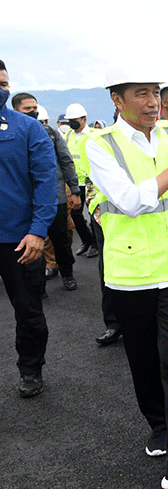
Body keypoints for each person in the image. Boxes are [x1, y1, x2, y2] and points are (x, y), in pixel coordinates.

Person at [84, 66, 168, 489]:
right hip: (131, 273)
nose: (152, 102)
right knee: (144, 360)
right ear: (117, 100)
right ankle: (158, 425)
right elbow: (129, 202)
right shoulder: (99, 144)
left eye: (156, 93)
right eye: (141, 93)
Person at [0, 59, 57, 397]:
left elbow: (45, 182)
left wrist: (37, 231)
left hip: (20, 241)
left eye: (4, 83)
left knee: (29, 312)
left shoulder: (27, 128)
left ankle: (31, 369)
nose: (2, 89)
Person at [12, 92, 81, 291]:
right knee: (30, 242)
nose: (33, 112)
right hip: (25, 200)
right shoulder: (9, 134)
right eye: (28, 109)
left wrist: (74, 190)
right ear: (16, 110)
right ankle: (38, 285)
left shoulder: (49, 132)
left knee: (60, 238)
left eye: (35, 108)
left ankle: (67, 273)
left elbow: (66, 161)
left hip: (55, 195)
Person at [63, 102, 98, 258]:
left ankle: (96, 244)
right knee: (76, 215)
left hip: (90, 182)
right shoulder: (68, 135)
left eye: (74, 119)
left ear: (83, 119)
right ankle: (87, 240)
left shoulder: (93, 135)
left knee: (93, 215)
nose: (71, 123)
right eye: (69, 120)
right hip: (74, 182)